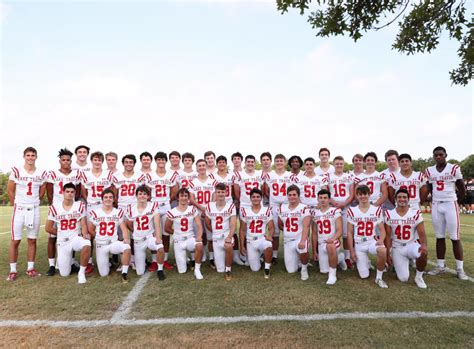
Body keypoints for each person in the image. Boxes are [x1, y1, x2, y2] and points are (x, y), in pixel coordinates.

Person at [425, 146, 468, 280]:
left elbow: (462, 188)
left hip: (450, 204)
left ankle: (460, 269)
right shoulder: (429, 171)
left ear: (445, 155)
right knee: (439, 236)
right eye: (436, 155)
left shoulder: (453, 168)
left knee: (455, 237)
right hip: (437, 204)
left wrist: (456, 201)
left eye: (440, 155)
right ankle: (440, 265)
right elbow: (430, 188)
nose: (438, 157)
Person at [7, 147, 47, 281]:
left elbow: (42, 189)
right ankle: (13, 270)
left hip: (34, 209)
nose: (30, 157)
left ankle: (30, 268)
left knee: (32, 239)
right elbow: (10, 190)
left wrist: (36, 201)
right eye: (28, 155)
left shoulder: (41, 172)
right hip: (20, 209)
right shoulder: (16, 171)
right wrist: (16, 204)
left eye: (33, 155)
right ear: (24, 156)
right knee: (15, 240)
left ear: (36, 157)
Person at [45, 183, 91, 283]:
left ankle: (81, 273)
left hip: (75, 237)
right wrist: (61, 233)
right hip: (63, 241)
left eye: (72, 192)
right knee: (64, 274)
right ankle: (67, 262)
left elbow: (83, 224)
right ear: (63, 192)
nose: (70, 194)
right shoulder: (55, 207)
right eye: (67, 192)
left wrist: (84, 235)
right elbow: (48, 227)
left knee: (87, 243)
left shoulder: (79, 205)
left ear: (75, 193)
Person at [384, 188, 428, 288]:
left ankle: (419, 277)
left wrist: (424, 245)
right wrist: (388, 253)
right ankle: (401, 262)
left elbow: (422, 233)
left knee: (423, 252)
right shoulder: (389, 214)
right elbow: (387, 235)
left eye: (404, 197)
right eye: (399, 197)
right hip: (397, 247)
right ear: (395, 199)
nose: (402, 199)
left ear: (408, 199)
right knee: (403, 278)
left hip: (411, 245)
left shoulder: (415, 213)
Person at [347, 185, 389, 288]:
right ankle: (367, 262)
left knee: (382, 250)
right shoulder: (352, 210)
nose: (363, 197)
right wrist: (351, 251)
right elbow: (349, 232)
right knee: (364, 276)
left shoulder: (376, 210)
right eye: (360, 194)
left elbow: (382, 230)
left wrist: (381, 240)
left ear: (369, 195)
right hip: (359, 244)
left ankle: (379, 278)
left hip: (371, 241)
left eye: (365, 194)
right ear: (357, 196)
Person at [81, 151, 116, 274]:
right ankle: (89, 261)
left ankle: (109, 258)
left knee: (107, 231)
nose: (97, 162)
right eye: (95, 160)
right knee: (90, 234)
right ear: (92, 161)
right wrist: (89, 201)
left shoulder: (108, 174)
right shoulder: (85, 174)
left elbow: (112, 189)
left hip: (104, 205)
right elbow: (83, 191)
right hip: (92, 206)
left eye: (99, 160)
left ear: (102, 162)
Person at [88, 189, 132, 282]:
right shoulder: (95, 213)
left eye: (110, 197)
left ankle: (124, 273)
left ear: (114, 199)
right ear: (102, 199)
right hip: (101, 244)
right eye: (106, 197)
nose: (108, 199)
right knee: (104, 274)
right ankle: (109, 262)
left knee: (126, 247)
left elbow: (124, 228)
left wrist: (126, 238)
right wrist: (98, 237)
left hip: (113, 242)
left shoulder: (118, 212)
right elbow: (90, 229)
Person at [145, 151, 179, 271]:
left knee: (165, 234)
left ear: (166, 161)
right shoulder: (149, 175)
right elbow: (146, 191)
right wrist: (152, 201)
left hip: (166, 206)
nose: (161, 162)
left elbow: (175, 190)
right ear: (156, 161)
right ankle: (155, 260)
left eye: (163, 159)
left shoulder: (171, 175)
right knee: (154, 233)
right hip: (154, 206)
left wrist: (168, 200)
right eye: (158, 159)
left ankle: (164, 259)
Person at [292, 157, 328, 265]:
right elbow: (296, 193)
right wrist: (301, 206)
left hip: (317, 208)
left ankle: (316, 254)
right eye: (307, 164)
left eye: (311, 164)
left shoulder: (320, 178)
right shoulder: (299, 178)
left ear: (314, 165)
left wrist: (320, 204)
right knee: (304, 232)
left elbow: (325, 192)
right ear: (304, 166)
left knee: (317, 232)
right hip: (305, 208)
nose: (309, 166)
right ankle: (304, 256)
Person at [125, 185, 165, 280]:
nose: (142, 196)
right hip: (138, 241)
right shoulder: (131, 208)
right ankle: (145, 262)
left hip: (149, 237)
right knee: (140, 272)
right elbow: (129, 225)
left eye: (144, 194)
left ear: (148, 196)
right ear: (136, 196)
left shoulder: (153, 206)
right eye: (140, 194)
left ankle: (160, 270)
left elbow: (156, 223)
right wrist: (136, 233)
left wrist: (158, 238)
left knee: (160, 247)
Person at [165, 188, 205, 280]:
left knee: (199, 245)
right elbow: (166, 228)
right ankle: (185, 258)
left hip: (190, 238)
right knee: (182, 271)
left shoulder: (192, 209)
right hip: (178, 241)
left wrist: (199, 237)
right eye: (182, 196)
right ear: (178, 198)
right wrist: (176, 233)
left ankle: (197, 269)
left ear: (188, 198)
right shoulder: (172, 212)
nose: (184, 198)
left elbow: (199, 225)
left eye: (186, 196)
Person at [311, 189, 346, 284]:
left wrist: (332, 239)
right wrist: (314, 251)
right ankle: (340, 258)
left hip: (333, 242)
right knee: (323, 271)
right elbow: (314, 233)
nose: (323, 200)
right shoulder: (314, 213)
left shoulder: (335, 211)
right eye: (321, 198)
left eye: (325, 198)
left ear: (329, 199)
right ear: (318, 199)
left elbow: (339, 230)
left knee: (330, 246)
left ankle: (332, 275)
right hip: (321, 243)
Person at [263, 154, 292, 264]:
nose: (279, 163)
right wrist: (273, 200)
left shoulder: (290, 175)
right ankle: (274, 255)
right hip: (274, 206)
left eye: (281, 161)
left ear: (285, 162)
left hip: (287, 206)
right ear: (274, 163)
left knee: (288, 230)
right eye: (277, 161)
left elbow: (294, 191)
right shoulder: (270, 175)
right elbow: (266, 191)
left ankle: (289, 254)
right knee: (274, 232)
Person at [277, 185, 311, 280]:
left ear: (298, 195)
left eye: (294, 194)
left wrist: (303, 241)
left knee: (303, 248)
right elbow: (280, 224)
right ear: (287, 196)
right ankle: (299, 261)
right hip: (288, 241)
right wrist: (289, 232)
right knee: (291, 270)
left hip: (299, 238)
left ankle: (304, 269)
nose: (292, 197)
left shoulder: (304, 208)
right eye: (290, 194)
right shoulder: (282, 208)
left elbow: (306, 226)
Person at [327, 156, 354, 269]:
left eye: (341, 163)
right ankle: (336, 256)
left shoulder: (349, 177)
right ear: (333, 164)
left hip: (346, 207)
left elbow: (352, 194)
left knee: (346, 234)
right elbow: (326, 192)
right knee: (334, 232)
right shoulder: (328, 177)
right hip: (333, 208)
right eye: (337, 163)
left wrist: (344, 203)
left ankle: (347, 257)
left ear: (343, 164)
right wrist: (333, 202)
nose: (339, 165)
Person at [239, 189, 274, 278]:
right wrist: (242, 245)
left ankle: (267, 268)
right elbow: (242, 230)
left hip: (261, 239)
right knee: (255, 269)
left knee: (268, 245)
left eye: (258, 197)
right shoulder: (245, 211)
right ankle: (261, 257)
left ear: (261, 198)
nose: (256, 199)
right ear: (250, 198)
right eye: (253, 197)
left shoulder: (266, 210)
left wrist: (269, 236)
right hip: (250, 241)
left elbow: (271, 227)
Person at [205, 183, 237, 280]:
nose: (221, 194)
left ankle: (228, 269)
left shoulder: (231, 206)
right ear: (215, 193)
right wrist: (214, 232)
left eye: (223, 192)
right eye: (218, 192)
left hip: (226, 235)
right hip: (216, 238)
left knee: (228, 245)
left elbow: (233, 224)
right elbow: (207, 223)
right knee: (219, 269)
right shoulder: (210, 206)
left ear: (226, 193)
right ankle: (223, 265)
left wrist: (229, 237)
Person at [189, 159, 215, 266]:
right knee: (198, 235)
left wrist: (207, 208)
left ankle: (212, 257)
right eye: (199, 166)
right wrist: (202, 208)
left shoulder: (212, 180)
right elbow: (191, 199)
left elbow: (214, 196)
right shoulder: (192, 182)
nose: (202, 167)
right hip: (197, 211)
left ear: (206, 167)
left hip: (210, 211)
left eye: (203, 165)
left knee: (210, 236)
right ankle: (200, 255)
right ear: (197, 168)